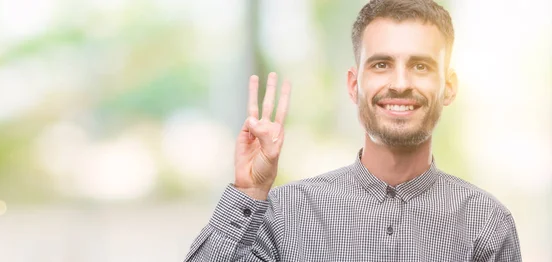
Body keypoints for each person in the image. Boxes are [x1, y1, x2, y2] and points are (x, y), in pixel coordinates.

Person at [185, 0, 521, 261]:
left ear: (448, 87)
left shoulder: (486, 225)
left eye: (420, 66)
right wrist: (249, 193)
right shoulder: (285, 214)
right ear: (353, 85)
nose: (401, 84)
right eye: (381, 64)